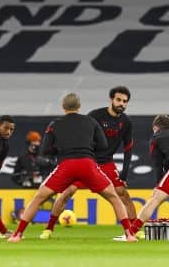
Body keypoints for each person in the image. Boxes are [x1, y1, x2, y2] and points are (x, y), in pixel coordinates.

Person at [7, 93, 135, 243]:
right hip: (88, 164)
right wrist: (87, 147)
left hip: (66, 165)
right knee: (114, 197)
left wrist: (60, 149)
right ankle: (129, 234)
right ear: (79, 106)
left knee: (38, 198)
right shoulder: (91, 122)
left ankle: (17, 235)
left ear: (63, 107)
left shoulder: (55, 124)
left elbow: (45, 150)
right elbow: (103, 145)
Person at [39, 86, 140, 240]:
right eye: (119, 100)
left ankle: (135, 230)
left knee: (123, 194)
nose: (122, 104)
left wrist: (124, 174)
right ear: (111, 100)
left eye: (125, 101)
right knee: (67, 193)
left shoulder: (126, 122)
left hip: (107, 163)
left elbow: (128, 148)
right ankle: (49, 229)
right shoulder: (95, 116)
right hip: (88, 161)